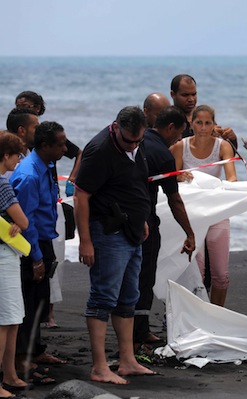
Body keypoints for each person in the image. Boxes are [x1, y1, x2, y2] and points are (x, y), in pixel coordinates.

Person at [74, 106, 155, 384]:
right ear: (117, 127)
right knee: (103, 297)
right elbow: (81, 196)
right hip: (107, 231)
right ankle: (99, 367)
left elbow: (133, 184)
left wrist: (140, 219)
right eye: (128, 140)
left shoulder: (136, 144)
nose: (133, 145)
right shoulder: (100, 150)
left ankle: (127, 360)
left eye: (138, 140)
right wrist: (85, 242)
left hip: (131, 230)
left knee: (128, 297)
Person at [10, 121, 68, 379]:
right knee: (27, 303)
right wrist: (35, 259)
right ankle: (21, 360)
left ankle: (34, 350)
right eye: (60, 145)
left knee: (40, 302)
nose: (65, 149)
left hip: (45, 239)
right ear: (44, 146)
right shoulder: (29, 174)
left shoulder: (47, 165)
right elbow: (24, 222)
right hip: (28, 246)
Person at [134, 105, 196, 348]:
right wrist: (189, 233)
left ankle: (139, 329)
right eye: (179, 134)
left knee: (133, 276)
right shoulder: (163, 154)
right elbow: (174, 199)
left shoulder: (139, 140)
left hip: (122, 219)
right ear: (169, 128)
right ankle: (137, 334)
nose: (178, 139)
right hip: (145, 221)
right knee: (144, 275)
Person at [170, 105, 236, 306]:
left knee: (221, 274)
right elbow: (170, 178)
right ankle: (197, 316)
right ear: (191, 124)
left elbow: (231, 177)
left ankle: (216, 316)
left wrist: (225, 188)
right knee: (197, 270)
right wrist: (180, 176)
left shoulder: (223, 146)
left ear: (214, 124)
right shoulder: (181, 146)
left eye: (208, 123)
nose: (203, 127)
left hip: (216, 211)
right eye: (199, 122)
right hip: (192, 215)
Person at [0, 131, 31, 396]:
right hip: (4, 255)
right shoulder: (2, 184)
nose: (18, 161)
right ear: (6, 156)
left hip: (5, 253)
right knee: (6, 319)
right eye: (17, 155)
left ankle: (9, 374)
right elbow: (23, 221)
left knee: (11, 319)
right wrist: (17, 224)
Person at [170, 74, 238, 146]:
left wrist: (231, 139)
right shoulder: (169, 119)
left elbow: (225, 153)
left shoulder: (203, 115)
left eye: (194, 94)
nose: (191, 99)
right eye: (185, 95)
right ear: (173, 94)